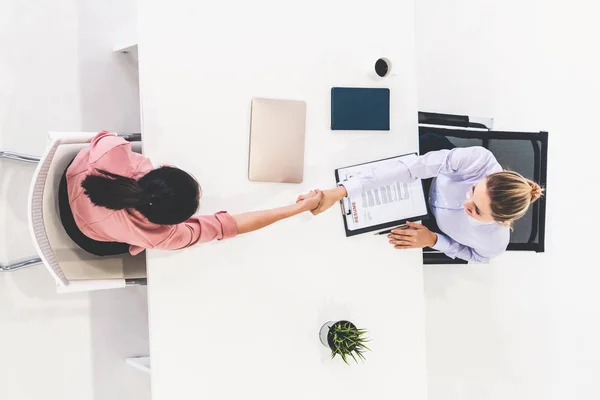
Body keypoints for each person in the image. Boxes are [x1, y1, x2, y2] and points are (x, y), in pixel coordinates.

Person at [61, 131, 322, 256]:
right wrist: (297, 208)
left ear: (165, 168)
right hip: (86, 235)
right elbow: (228, 226)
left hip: (70, 184)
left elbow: (105, 137)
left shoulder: (112, 152)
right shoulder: (166, 236)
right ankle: (134, 241)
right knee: (141, 244)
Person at [301, 144, 543, 263]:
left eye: (476, 211)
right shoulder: (478, 162)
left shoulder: (495, 242)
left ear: (501, 221)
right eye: (472, 190)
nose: (464, 202)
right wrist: (342, 190)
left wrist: (435, 241)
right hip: (427, 175)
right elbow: (413, 168)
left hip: (428, 223)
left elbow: (476, 257)